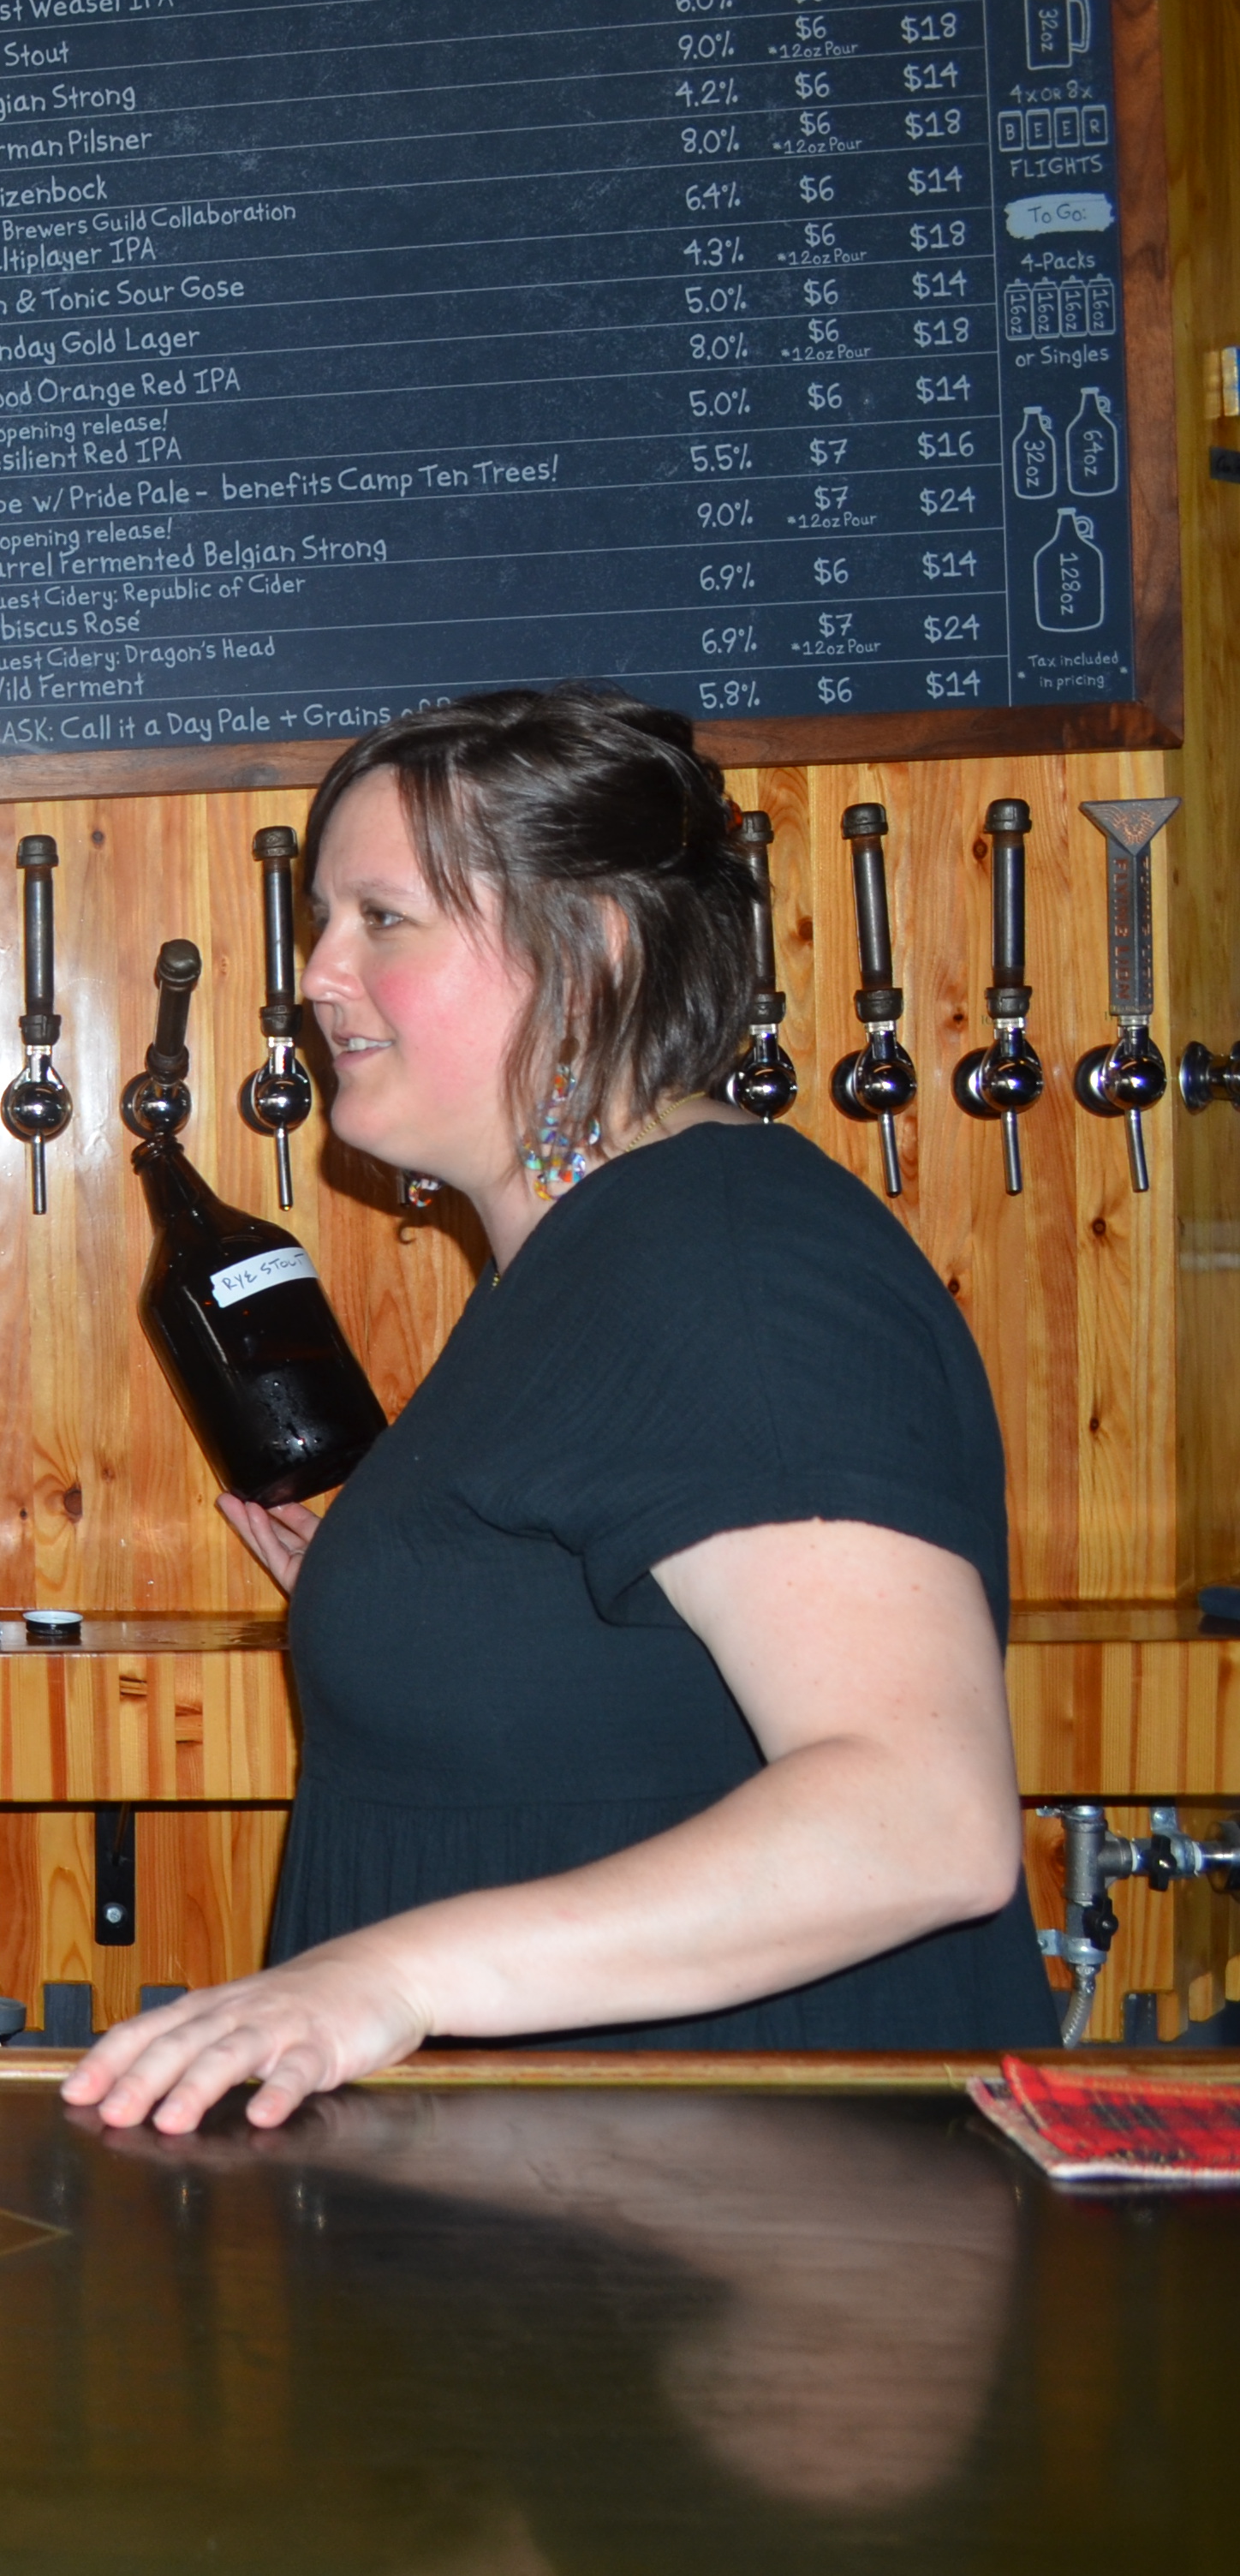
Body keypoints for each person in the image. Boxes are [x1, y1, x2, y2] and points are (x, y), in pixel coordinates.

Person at [63, 684, 1043, 2136]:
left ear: (592, 950)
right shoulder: (597, 1261)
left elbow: (919, 1822)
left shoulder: (727, 1261)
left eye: (383, 920)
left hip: (754, 2279)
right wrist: (410, 1596)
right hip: (581, 2248)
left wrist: (379, 1981)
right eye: (321, 922)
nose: (319, 976)